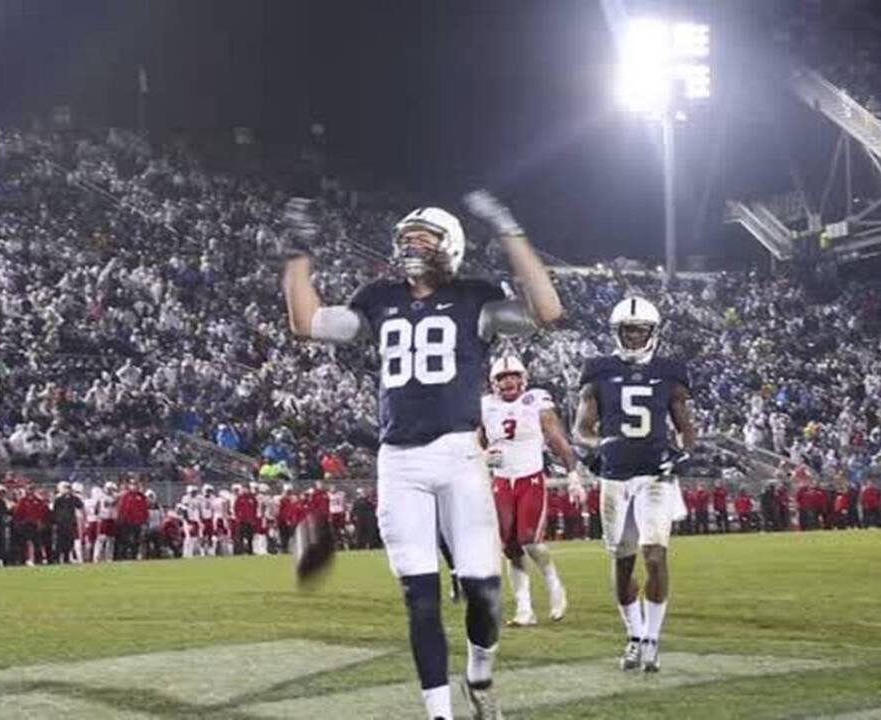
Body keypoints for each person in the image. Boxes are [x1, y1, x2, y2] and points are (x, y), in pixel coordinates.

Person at [281, 190, 561, 720]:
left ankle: (479, 673)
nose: (411, 246)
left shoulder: (475, 298)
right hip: (400, 461)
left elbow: (547, 310)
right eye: (405, 238)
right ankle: (438, 714)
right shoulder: (379, 298)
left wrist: (509, 230)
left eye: (423, 238)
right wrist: (297, 250)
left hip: (459, 455)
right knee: (421, 597)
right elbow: (306, 322)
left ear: (449, 247)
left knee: (484, 594)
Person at [573, 295, 695, 674]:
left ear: (653, 333)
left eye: (640, 331)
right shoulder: (598, 371)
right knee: (623, 563)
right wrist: (598, 445)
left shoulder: (670, 373)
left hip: (655, 476)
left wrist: (683, 453)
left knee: (655, 555)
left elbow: (686, 427)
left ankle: (653, 641)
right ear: (616, 331)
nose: (634, 338)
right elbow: (581, 429)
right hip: (614, 477)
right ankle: (634, 636)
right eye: (628, 331)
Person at [479, 354, 577, 626]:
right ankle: (525, 609)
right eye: (502, 377)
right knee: (510, 547)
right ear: (493, 382)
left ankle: (553, 582)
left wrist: (572, 473)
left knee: (529, 539)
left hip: (529, 477)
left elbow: (555, 437)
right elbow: (476, 443)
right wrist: (483, 455)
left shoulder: (536, 400)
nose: (509, 381)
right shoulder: (485, 406)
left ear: (523, 379)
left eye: (513, 376)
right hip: (501, 481)